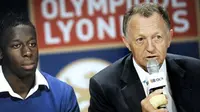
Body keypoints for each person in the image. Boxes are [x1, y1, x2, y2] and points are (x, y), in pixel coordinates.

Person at [89, 2, 200, 112]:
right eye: (140, 39)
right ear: (127, 42)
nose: (150, 48)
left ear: (169, 38)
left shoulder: (195, 71)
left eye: (157, 37)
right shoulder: (104, 86)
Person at [0, 12, 80, 112]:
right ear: (1, 52)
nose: (28, 52)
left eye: (32, 44)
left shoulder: (62, 94)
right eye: (16, 46)